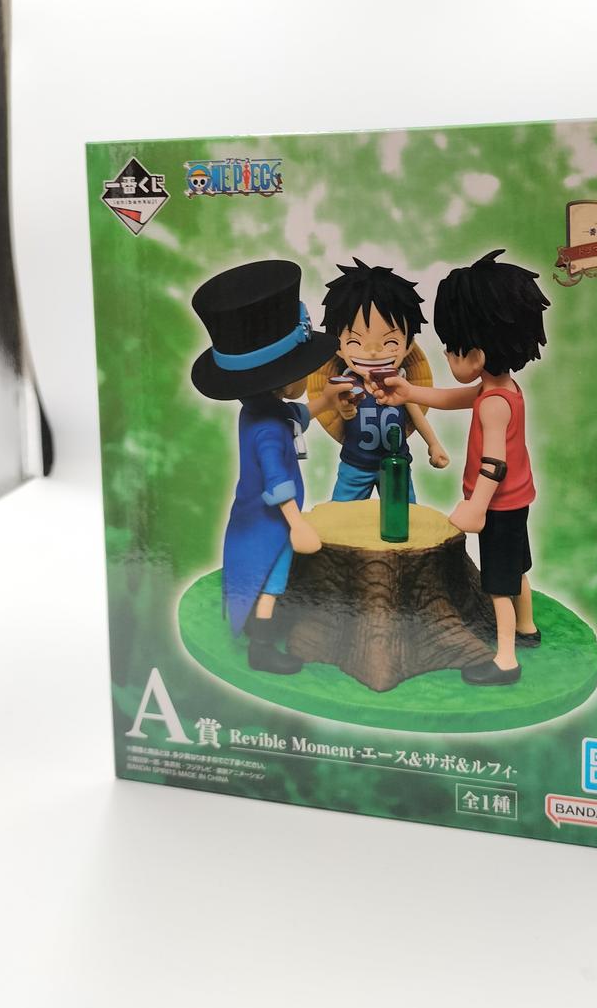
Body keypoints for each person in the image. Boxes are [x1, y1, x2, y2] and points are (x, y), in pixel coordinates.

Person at [371, 250, 549, 686]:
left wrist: (476, 507)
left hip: (498, 506)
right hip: (518, 501)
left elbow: (494, 463)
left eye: (453, 350)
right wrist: (410, 392)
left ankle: (505, 660)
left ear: (478, 354)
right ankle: (527, 628)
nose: (449, 357)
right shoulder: (502, 389)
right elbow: (453, 398)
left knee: (498, 585)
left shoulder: (492, 404)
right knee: (517, 567)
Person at [191, 260, 351, 674]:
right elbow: (277, 483)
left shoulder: (262, 411)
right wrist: (297, 525)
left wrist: (327, 401)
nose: (307, 377)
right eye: (301, 372)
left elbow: (297, 417)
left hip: (263, 518)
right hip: (270, 523)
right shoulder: (266, 428)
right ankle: (261, 647)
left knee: (270, 578)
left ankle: (259, 625)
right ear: (280, 380)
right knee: (273, 580)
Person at [318, 258, 448, 502]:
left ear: (408, 345)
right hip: (354, 466)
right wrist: (342, 407)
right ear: (338, 347)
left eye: (390, 342)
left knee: (404, 516)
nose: (373, 352)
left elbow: (416, 415)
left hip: (397, 465)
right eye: (355, 342)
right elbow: (330, 404)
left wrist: (434, 444)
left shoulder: (400, 385)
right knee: (341, 516)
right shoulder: (345, 382)